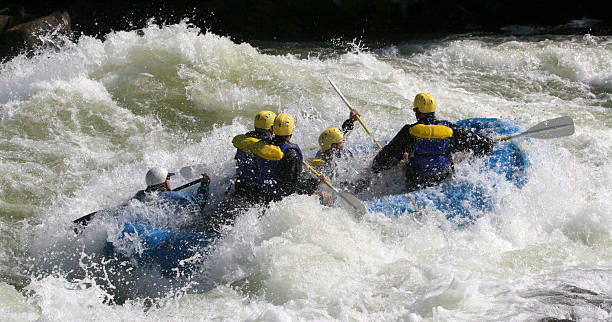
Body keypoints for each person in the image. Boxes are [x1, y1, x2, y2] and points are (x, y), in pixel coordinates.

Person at [371, 92, 494, 192]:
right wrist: (487, 141)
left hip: (416, 182)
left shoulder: (409, 132)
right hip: (444, 179)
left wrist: (381, 160)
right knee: (456, 154)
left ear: (417, 112)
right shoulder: (450, 130)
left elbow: (382, 162)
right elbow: (484, 146)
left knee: (403, 158)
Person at [252, 112, 327, 203]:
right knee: (326, 197)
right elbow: (293, 186)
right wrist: (317, 182)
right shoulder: (291, 153)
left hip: (262, 193)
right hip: (280, 201)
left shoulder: (262, 144)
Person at [232, 110, 276, 202]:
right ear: (271, 128)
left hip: (242, 187)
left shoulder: (245, 139)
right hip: (259, 192)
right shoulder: (270, 145)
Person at [132, 166, 210, 214]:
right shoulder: (170, 195)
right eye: (168, 178)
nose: (169, 180)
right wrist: (204, 185)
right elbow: (198, 205)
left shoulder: (141, 194)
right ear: (164, 181)